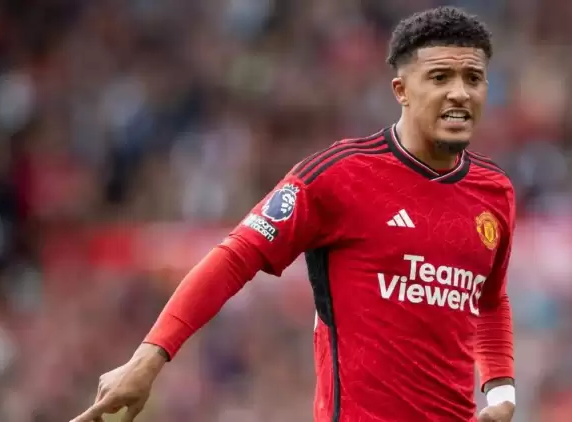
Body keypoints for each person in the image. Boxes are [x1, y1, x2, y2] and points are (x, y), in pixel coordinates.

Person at [71, 6, 517, 422]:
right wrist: (149, 357)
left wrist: (501, 391)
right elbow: (236, 256)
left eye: (473, 78)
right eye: (439, 77)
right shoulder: (339, 176)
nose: (460, 93)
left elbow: (491, 298)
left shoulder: (494, 192)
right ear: (401, 90)